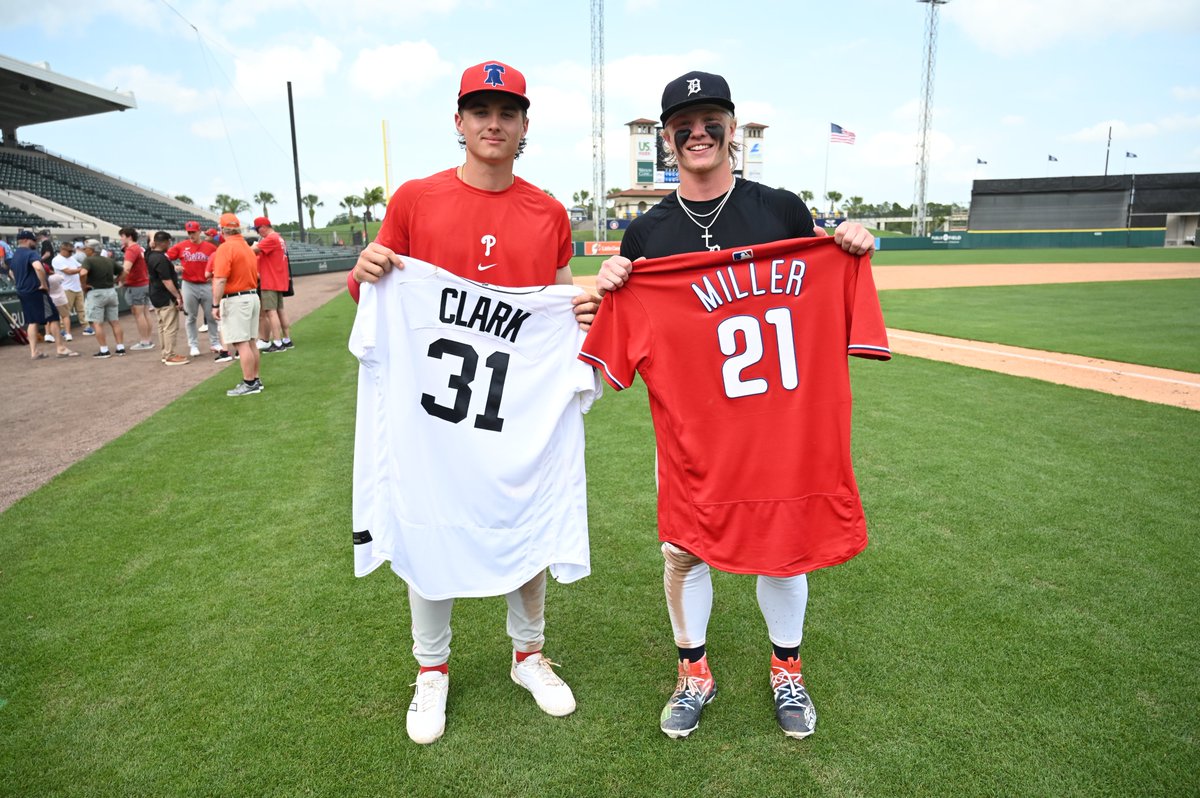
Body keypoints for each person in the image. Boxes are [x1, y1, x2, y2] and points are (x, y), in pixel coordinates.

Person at [591, 71, 878, 741]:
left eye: (710, 120)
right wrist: (610, 288)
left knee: (788, 551)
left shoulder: (779, 208)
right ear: (666, 139)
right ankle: (694, 673)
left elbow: (820, 267)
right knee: (683, 552)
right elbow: (615, 359)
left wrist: (850, 243)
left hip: (782, 429)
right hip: (693, 437)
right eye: (682, 125)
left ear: (731, 127)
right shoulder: (647, 237)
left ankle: (787, 669)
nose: (697, 133)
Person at [348, 59, 599, 746]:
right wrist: (363, 271)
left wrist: (577, 312)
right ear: (459, 121)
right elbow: (375, 298)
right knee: (429, 522)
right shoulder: (415, 200)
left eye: (508, 112)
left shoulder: (547, 211)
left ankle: (529, 654)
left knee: (525, 518)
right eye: (480, 110)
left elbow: (560, 295)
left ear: (524, 126)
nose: (494, 122)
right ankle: (431, 669)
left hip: (514, 409)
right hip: (431, 412)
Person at [210, 213, 263, 395]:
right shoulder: (247, 247)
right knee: (250, 342)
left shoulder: (226, 248)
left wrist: (215, 304)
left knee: (242, 343)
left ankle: (249, 383)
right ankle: (255, 380)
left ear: (222, 229)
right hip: (252, 295)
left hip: (236, 298)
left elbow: (220, 279)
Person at [10, 230, 77, 359]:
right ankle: (61, 348)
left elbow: (11, 273)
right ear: (25, 240)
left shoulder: (15, 255)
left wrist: (19, 283)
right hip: (37, 291)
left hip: (23, 291)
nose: (35, 242)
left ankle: (34, 351)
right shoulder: (30, 253)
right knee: (53, 317)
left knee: (32, 321)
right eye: (33, 240)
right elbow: (39, 267)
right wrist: (43, 284)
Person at [167, 221, 223, 359]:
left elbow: (220, 261)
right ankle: (193, 345)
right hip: (189, 284)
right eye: (189, 232)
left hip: (206, 284)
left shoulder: (210, 247)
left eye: (193, 232)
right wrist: (173, 267)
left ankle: (215, 342)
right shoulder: (181, 246)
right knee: (190, 317)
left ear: (199, 231)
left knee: (211, 315)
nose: (191, 234)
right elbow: (165, 258)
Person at [250, 216, 293, 352]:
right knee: (280, 310)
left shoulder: (271, 238)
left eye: (258, 229)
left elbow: (251, 251)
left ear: (263, 227)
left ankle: (278, 342)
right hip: (279, 278)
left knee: (271, 312)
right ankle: (286, 339)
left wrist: (252, 246)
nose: (258, 233)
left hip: (270, 279)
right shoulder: (279, 238)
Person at [146, 231, 188, 365]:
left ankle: (165, 353)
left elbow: (150, 244)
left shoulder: (150, 254)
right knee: (170, 327)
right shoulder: (161, 258)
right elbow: (167, 281)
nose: (169, 244)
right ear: (164, 242)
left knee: (162, 326)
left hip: (155, 294)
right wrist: (177, 296)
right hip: (164, 295)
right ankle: (170, 355)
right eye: (168, 242)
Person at [79, 239, 125, 358]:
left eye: (86, 248)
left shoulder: (89, 260)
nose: (84, 250)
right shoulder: (108, 260)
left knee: (97, 323)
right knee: (115, 322)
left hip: (96, 292)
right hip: (111, 291)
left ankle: (104, 350)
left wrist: (83, 285)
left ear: (91, 249)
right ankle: (120, 347)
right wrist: (116, 281)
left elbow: (83, 273)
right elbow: (124, 272)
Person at [117, 227, 156, 351]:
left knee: (139, 314)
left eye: (122, 236)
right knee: (145, 313)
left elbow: (126, 269)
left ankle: (145, 341)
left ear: (128, 236)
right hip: (143, 283)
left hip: (136, 285)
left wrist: (120, 280)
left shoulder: (131, 249)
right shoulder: (138, 248)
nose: (121, 239)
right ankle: (147, 339)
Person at [51, 241, 85, 341]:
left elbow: (79, 267)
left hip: (77, 286)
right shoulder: (57, 259)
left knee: (81, 309)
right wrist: (81, 269)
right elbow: (69, 271)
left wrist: (80, 269)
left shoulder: (71, 258)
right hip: (65, 287)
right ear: (63, 250)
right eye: (69, 251)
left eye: (71, 251)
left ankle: (86, 327)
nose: (71, 253)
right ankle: (63, 329)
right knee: (65, 312)